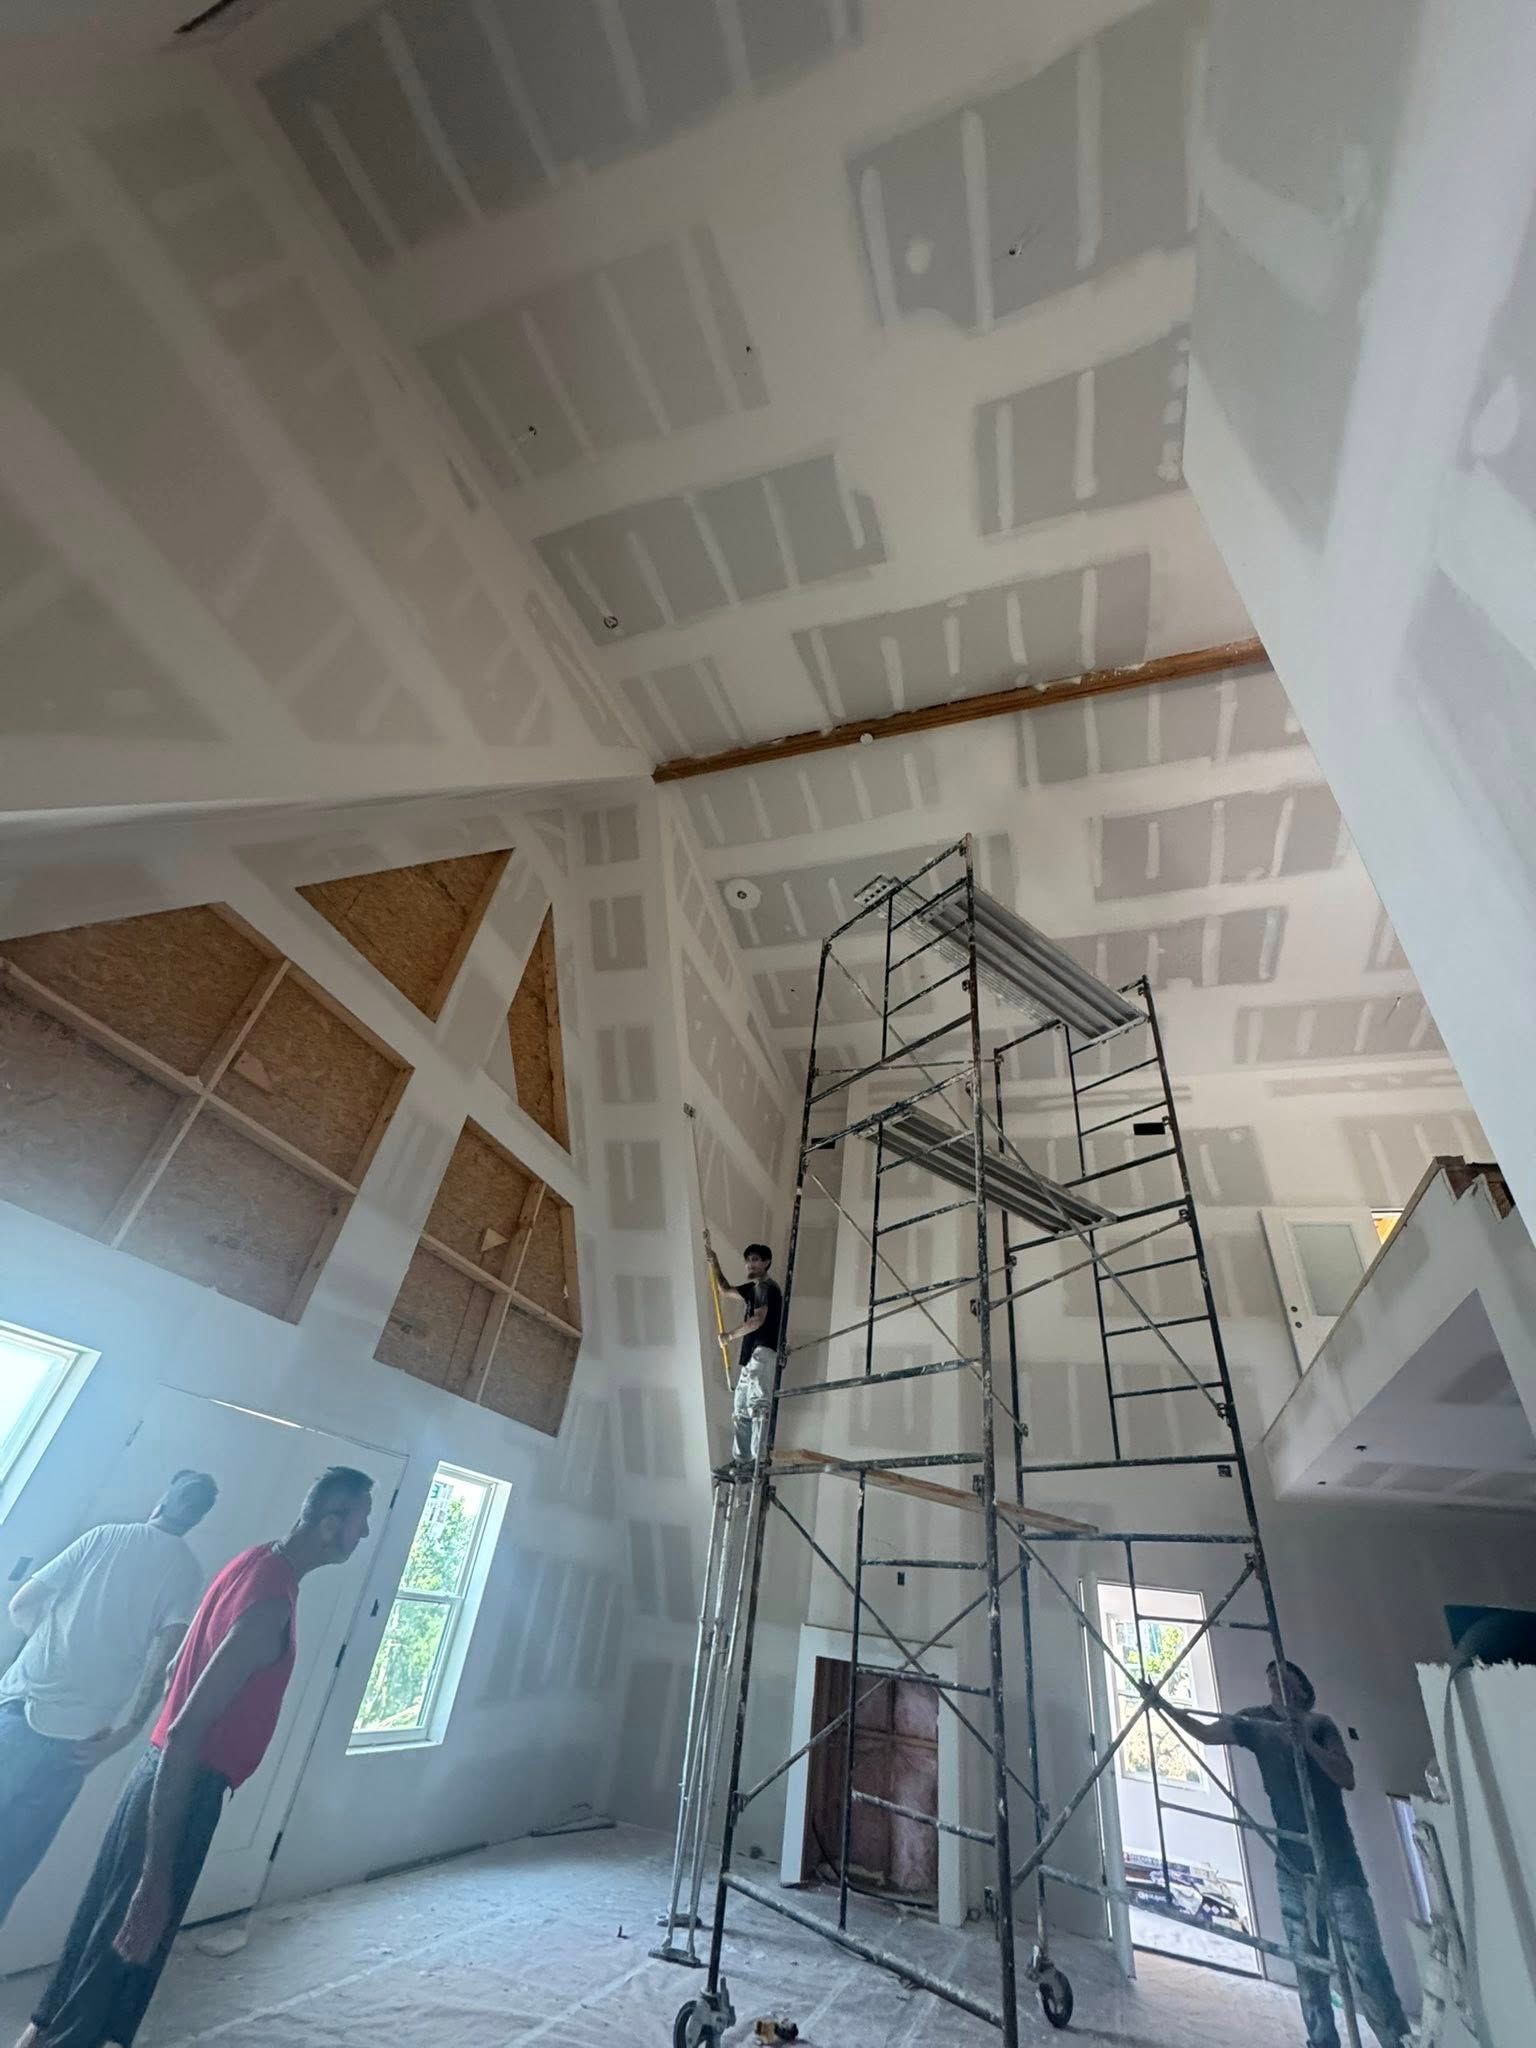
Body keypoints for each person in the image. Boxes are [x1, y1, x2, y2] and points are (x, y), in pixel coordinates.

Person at [15, 1466, 373, 2048]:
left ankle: (40, 2034)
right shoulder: (269, 1605)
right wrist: (156, 1878)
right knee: (124, 1942)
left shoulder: (259, 1561)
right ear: (332, 1524)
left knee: (103, 1937)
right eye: (361, 1520)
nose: (363, 1534)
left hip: (158, 1779)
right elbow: (186, 1733)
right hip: (183, 1784)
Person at [1145, 1657, 1409, 2048]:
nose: (1277, 1677)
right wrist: (1161, 1704)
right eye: (1272, 1673)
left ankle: (1396, 2041)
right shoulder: (1256, 1722)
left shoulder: (1320, 1725)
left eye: (1288, 1674)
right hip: (1291, 1864)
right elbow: (1204, 1733)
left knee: (1367, 1964)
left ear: (1303, 1688)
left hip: (1338, 1862)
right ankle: (1322, 2042)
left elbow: (1346, 1777)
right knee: (1308, 1965)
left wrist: (1306, 1743)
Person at [0, 1471, 219, 1928]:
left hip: (19, 1712)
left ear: (161, 1498)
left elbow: (22, 1603)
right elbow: (167, 1656)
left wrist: (45, 1643)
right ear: (196, 1519)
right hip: (78, 1743)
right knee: (11, 1864)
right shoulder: (184, 1571)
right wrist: (130, 1728)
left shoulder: (103, 1537)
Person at [705, 1237, 782, 1464]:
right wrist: (714, 1263)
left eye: (755, 1260)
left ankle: (758, 1460)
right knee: (740, 1409)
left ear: (766, 1262)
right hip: (750, 1355)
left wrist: (729, 1336)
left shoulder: (766, 1287)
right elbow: (724, 1290)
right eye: (748, 1261)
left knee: (757, 1405)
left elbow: (757, 1320)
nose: (750, 1265)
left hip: (764, 1352)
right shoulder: (752, 1288)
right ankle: (742, 1461)